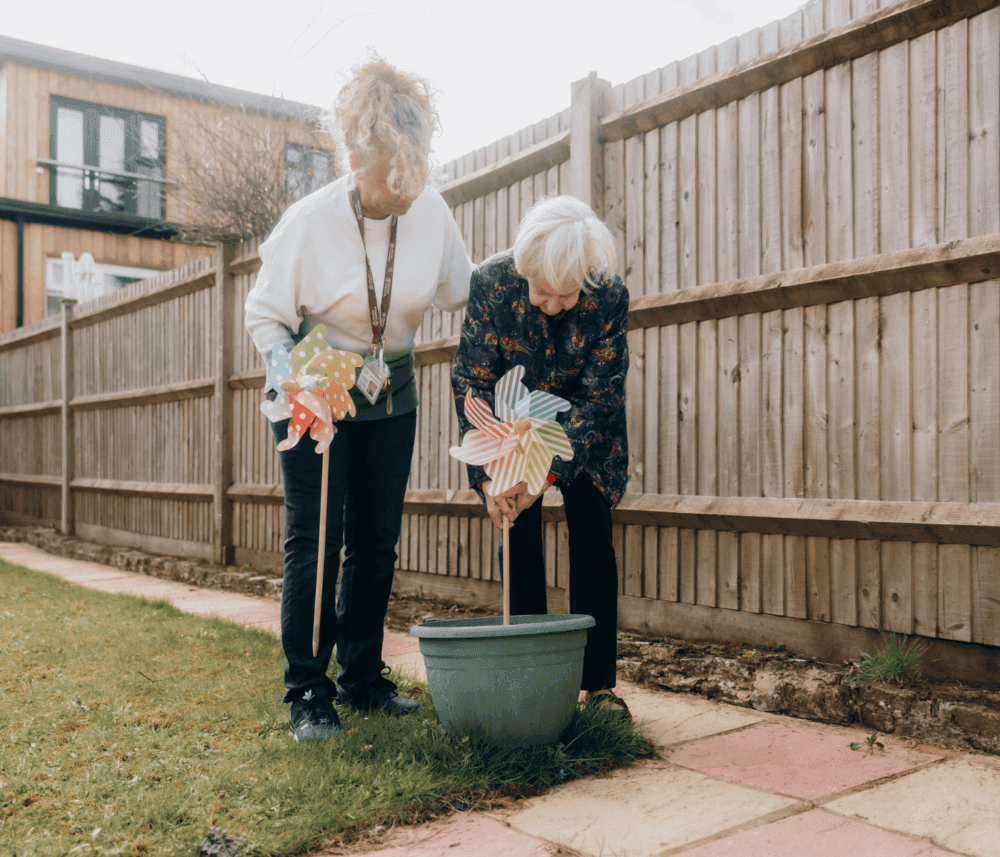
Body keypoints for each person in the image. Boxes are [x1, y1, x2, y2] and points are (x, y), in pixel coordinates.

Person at [245, 58, 473, 742]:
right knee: (317, 540)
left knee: (376, 541)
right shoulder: (307, 223)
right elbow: (264, 314)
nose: (402, 195)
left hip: (390, 388)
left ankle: (364, 677)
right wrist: (294, 378)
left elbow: (465, 289)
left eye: (414, 178)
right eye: (387, 181)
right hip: (314, 391)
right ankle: (308, 692)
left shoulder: (429, 209)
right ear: (354, 160)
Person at [451, 195, 630, 715]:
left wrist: (548, 470)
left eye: (566, 294)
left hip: (585, 430)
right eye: (541, 292)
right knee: (518, 532)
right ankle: (532, 681)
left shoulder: (610, 296)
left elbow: (600, 396)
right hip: (509, 427)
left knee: (594, 537)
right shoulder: (491, 283)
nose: (552, 304)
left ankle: (598, 687)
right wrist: (492, 480)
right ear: (523, 269)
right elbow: (473, 380)